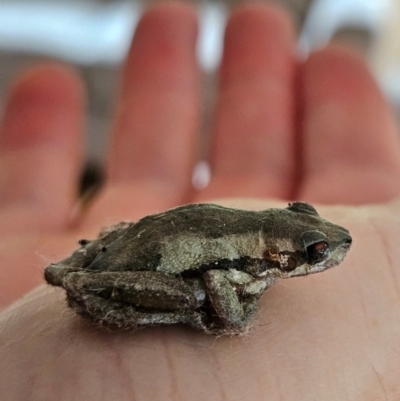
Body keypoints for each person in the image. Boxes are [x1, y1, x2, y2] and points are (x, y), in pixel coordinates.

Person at [1, 2, 399, 399]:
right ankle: (90, 281)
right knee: (195, 294)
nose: (329, 250)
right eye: (315, 250)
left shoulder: (256, 238)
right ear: (280, 255)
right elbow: (216, 282)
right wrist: (239, 314)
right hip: (155, 263)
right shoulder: (245, 267)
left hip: (153, 241)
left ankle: (80, 271)